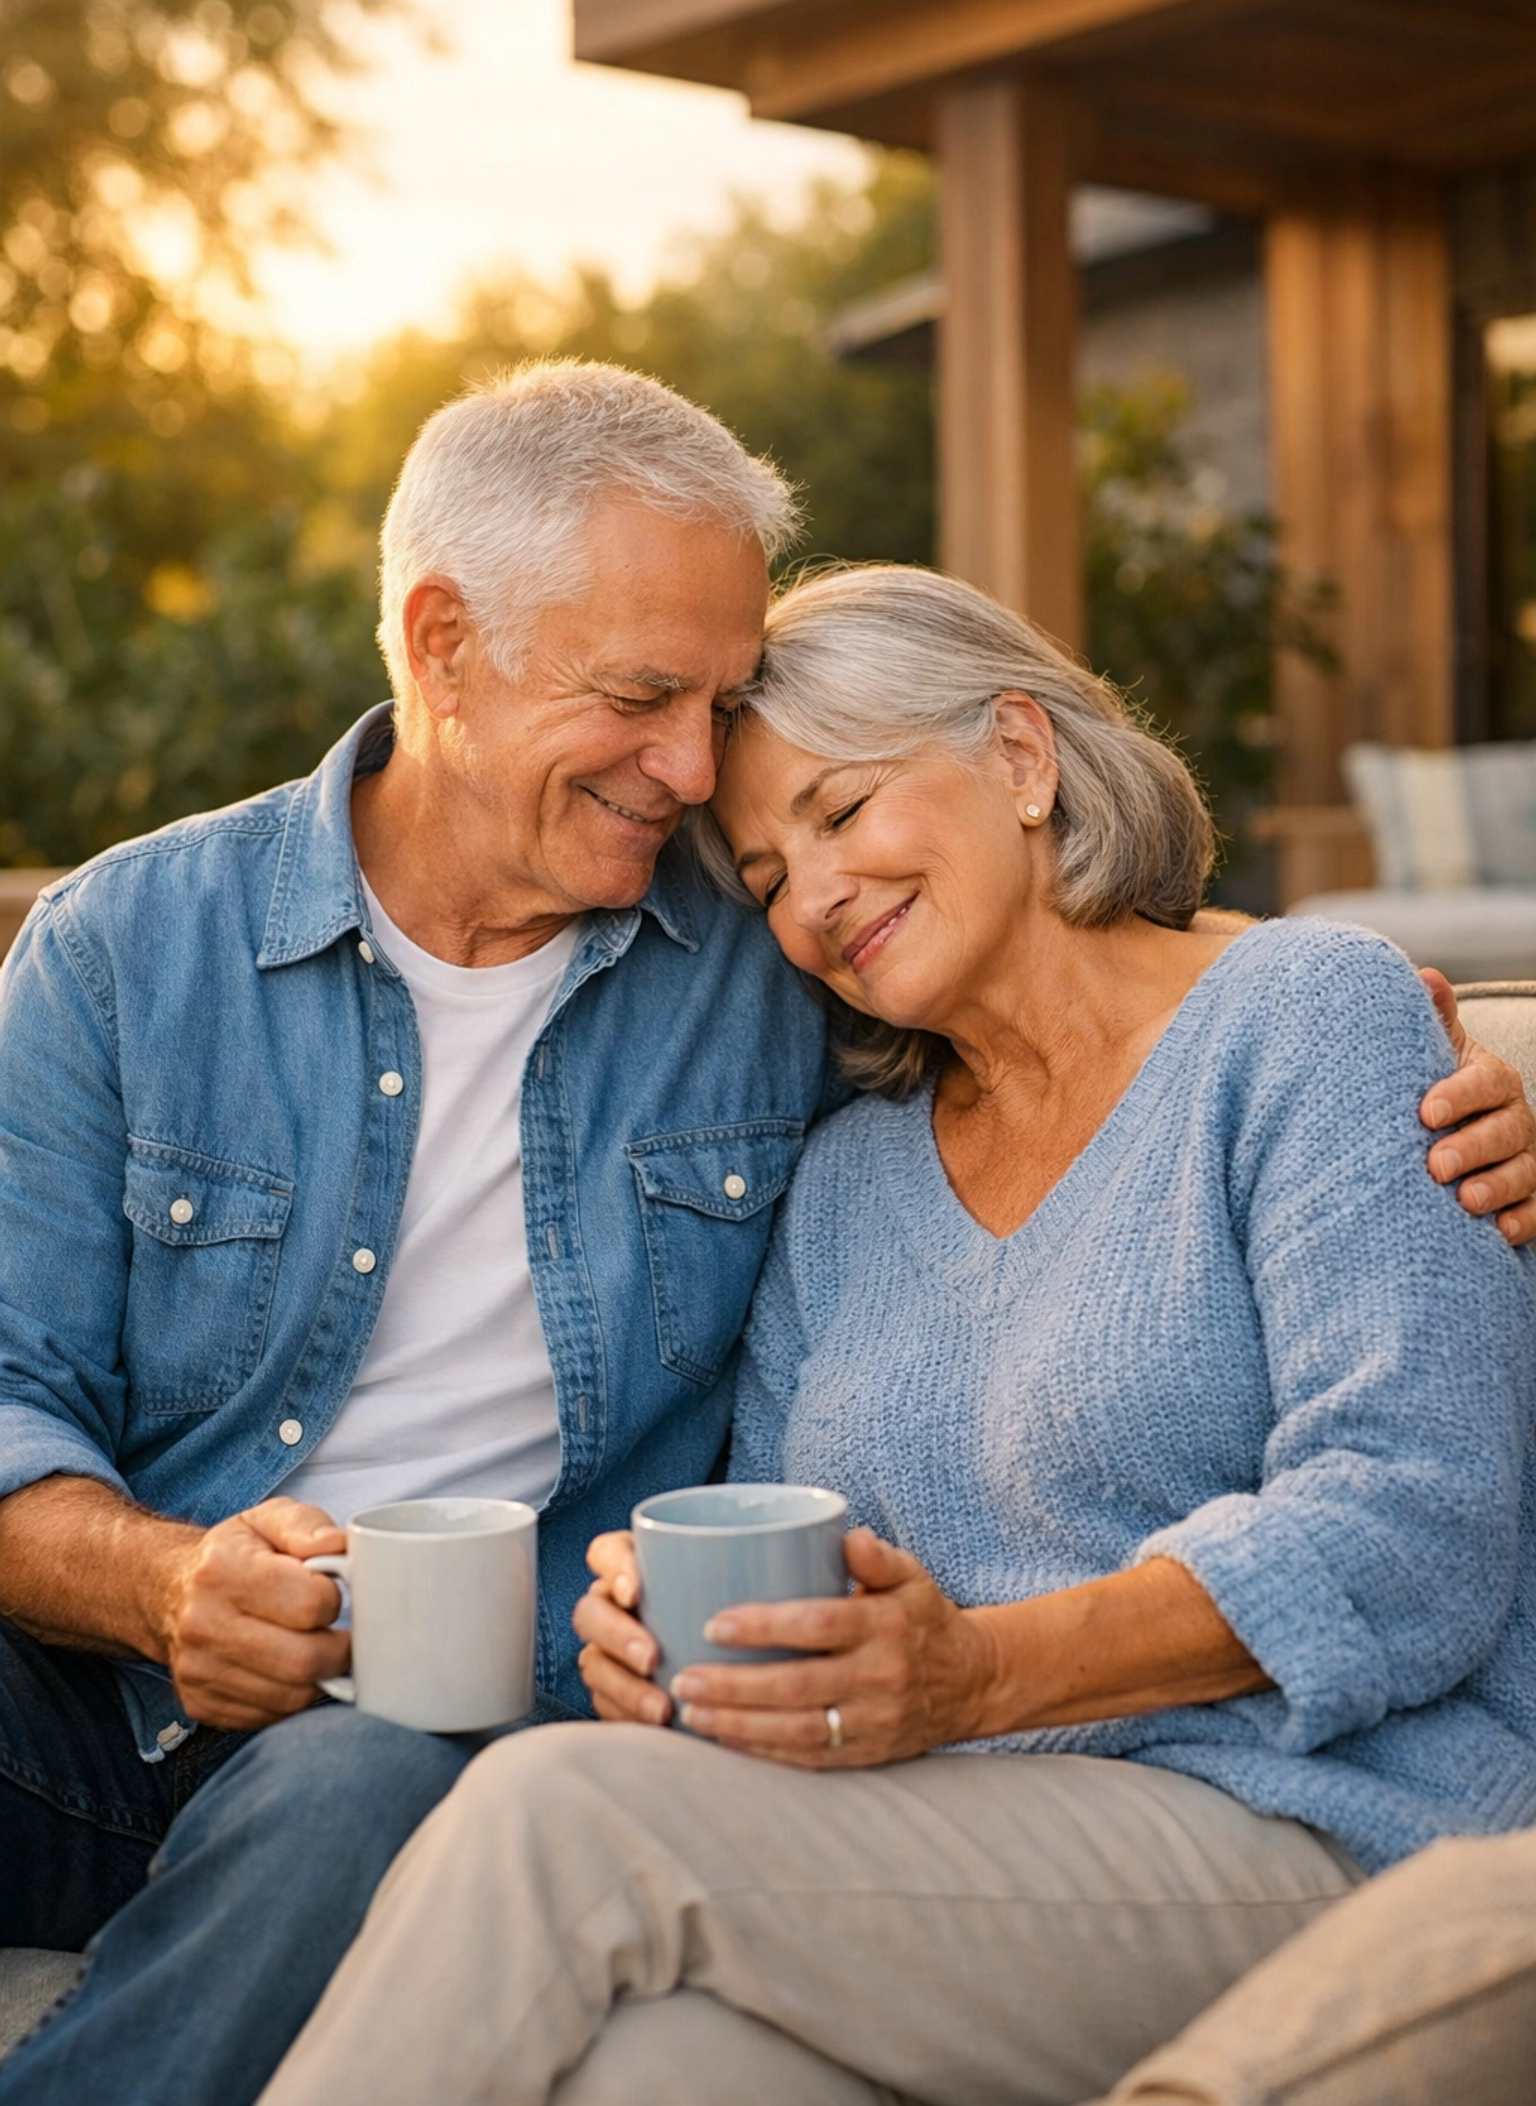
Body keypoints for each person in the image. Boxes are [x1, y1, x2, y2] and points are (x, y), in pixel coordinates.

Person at [258, 567, 1536, 2106]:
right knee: (650, 2071)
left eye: (844, 812)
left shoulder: (1309, 1013)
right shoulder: (851, 1179)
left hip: (1325, 1825)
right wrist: (665, 1646)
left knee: (564, 1818)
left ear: (1019, 755)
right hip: (952, 1856)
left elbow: (1415, 1530)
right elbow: (808, 1559)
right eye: (765, 877)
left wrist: (976, 1676)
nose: (815, 901)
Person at [0, 364, 833, 2106]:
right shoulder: (121, 949)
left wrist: (1347, 1013)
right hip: (98, 1700)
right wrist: (168, 1586)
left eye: (725, 703)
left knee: (361, 1788)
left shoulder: (778, 955)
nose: (696, 768)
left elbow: (1062, 969)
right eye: (640, 696)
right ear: (444, 644)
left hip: (442, 1718)